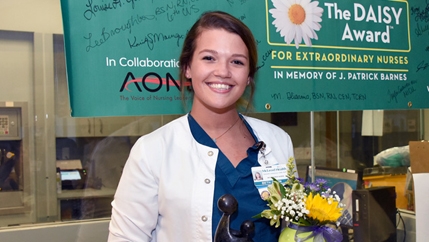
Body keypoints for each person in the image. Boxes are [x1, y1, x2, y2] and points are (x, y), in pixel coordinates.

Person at [108, 11, 295, 241]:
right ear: (188, 67)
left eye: (237, 62)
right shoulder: (151, 152)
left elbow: (293, 228)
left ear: (248, 77)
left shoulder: (278, 142)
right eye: (209, 58)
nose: (223, 72)